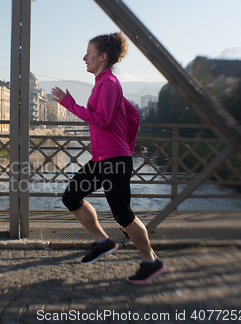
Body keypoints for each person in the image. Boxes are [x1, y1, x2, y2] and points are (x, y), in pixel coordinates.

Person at [51, 32, 165, 284]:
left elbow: (101, 119)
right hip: (104, 160)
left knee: (123, 215)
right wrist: (125, 143)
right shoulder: (104, 83)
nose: (84, 58)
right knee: (71, 197)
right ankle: (102, 242)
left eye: (89, 53)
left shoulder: (109, 83)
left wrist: (68, 102)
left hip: (113, 162)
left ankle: (151, 262)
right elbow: (132, 113)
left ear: (103, 57)